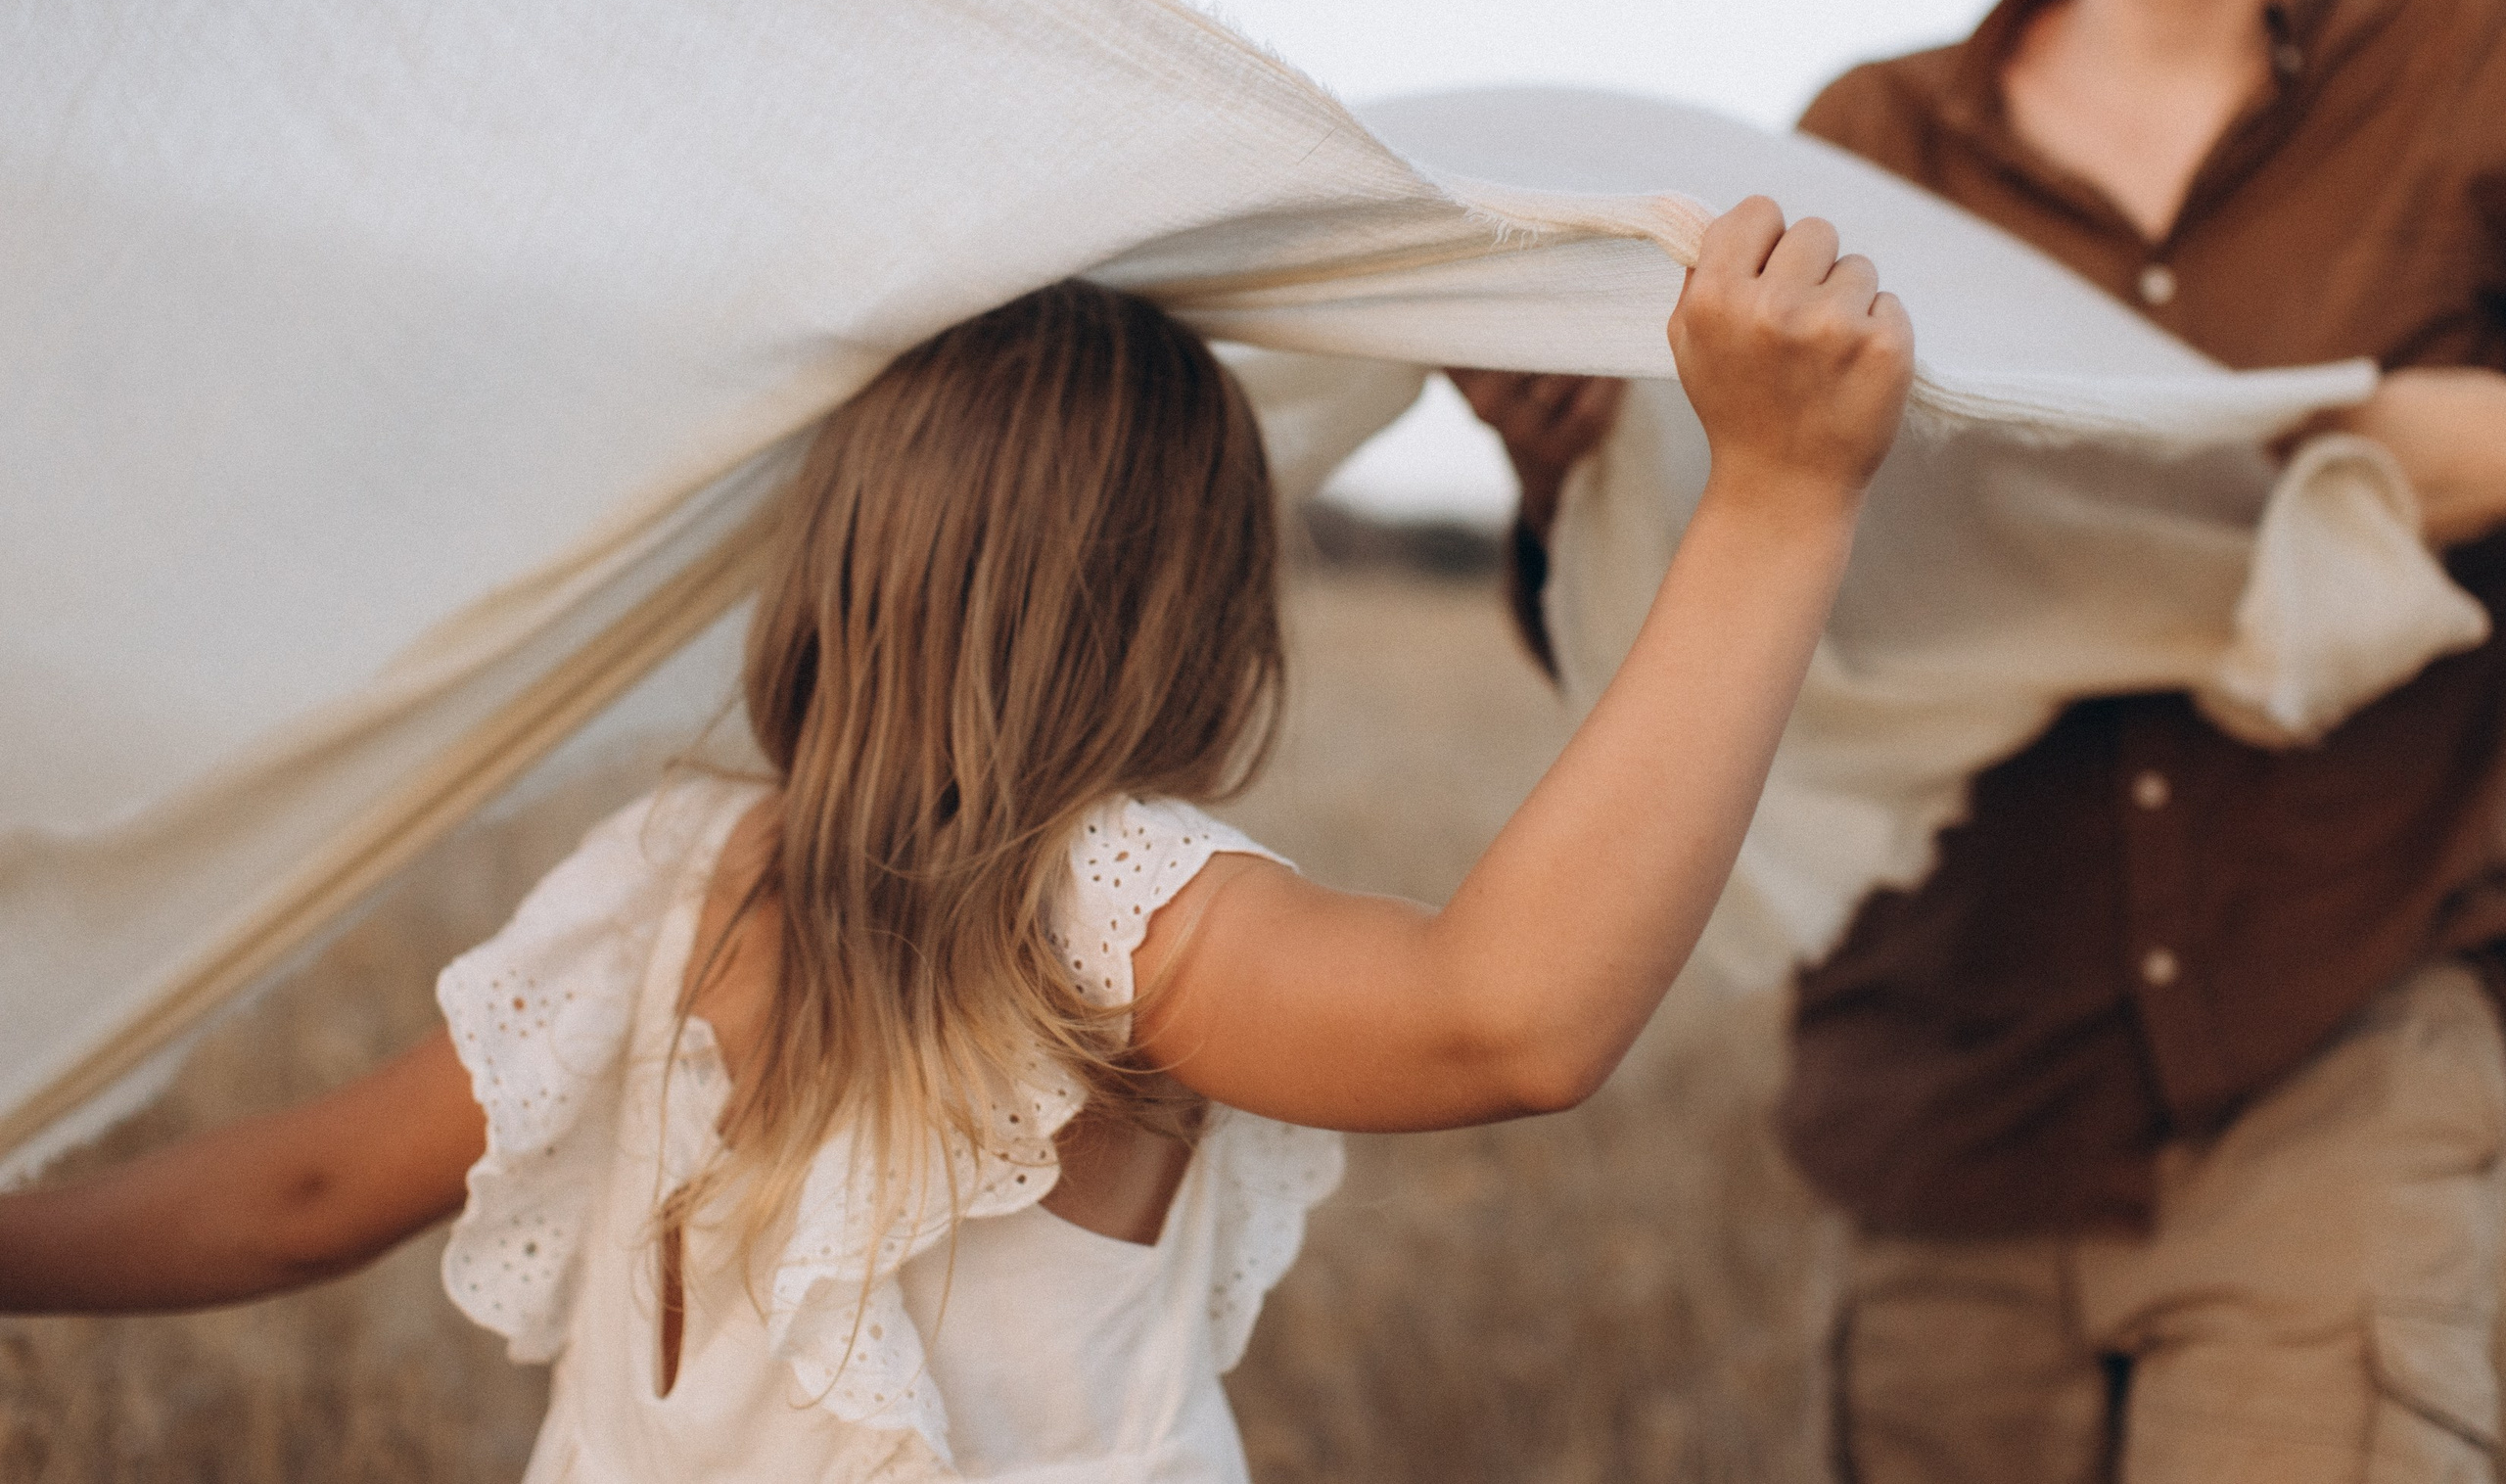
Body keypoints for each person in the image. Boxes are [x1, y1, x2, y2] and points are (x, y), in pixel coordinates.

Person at [0, 203, 1910, 1481]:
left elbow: (305, 1188)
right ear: (1196, 600)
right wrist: (1776, 497)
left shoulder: (673, 879)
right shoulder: (1099, 911)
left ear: (840, 566)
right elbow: (1506, 1018)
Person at [1463, 0, 2506, 1478]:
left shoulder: (2471, 63)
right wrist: (1573, 481)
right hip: (1956, 1092)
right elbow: (1765, 621)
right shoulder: (1866, 146)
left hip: (2346, 1044)